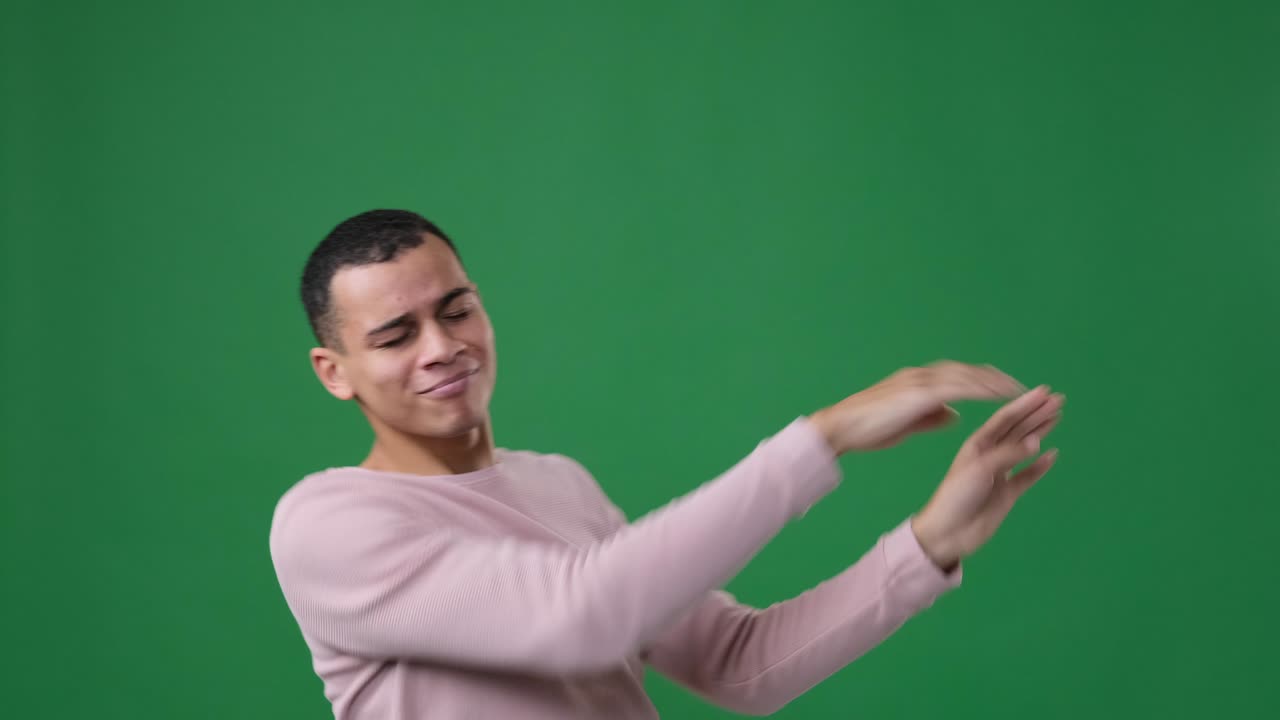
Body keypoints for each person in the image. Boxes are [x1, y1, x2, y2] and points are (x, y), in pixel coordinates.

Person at [269, 209, 1064, 719]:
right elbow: (580, 618)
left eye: (456, 310)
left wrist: (928, 544)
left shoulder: (558, 483)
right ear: (332, 371)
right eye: (394, 335)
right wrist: (823, 437)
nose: (442, 348)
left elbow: (739, 664)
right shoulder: (329, 524)